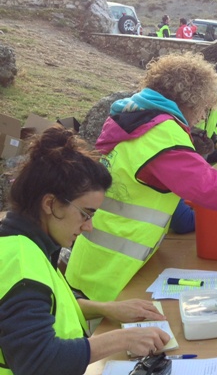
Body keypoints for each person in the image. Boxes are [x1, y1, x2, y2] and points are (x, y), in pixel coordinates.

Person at [65, 54, 217, 302]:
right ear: (191, 100)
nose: (201, 116)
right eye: (203, 107)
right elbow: (210, 188)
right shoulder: (162, 134)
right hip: (108, 276)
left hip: (98, 260)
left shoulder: (139, 122)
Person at [0, 126, 171, 374]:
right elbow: (38, 362)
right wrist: (122, 339)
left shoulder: (26, 245)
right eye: (85, 214)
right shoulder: (21, 263)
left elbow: (45, 307)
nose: (89, 226)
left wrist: (105, 308)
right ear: (50, 204)